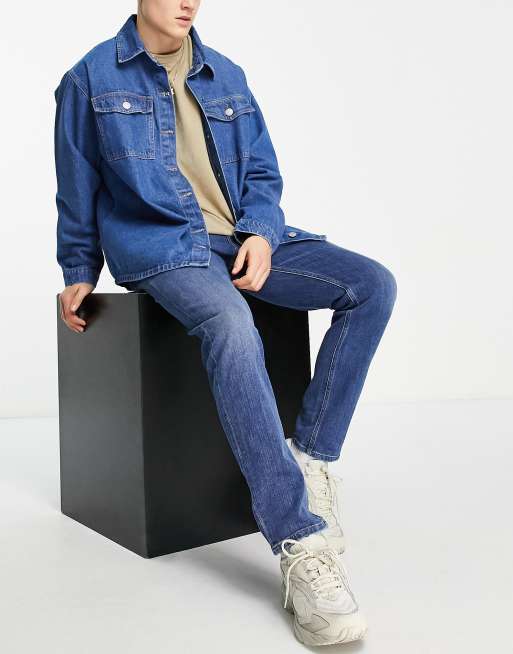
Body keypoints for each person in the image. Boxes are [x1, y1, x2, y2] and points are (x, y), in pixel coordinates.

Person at [54, 2, 397, 646]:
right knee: (233, 325)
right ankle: (298, 541)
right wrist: (79, 266)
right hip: (164, 247)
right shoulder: (89, 79)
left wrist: (262, 233)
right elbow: (77, 185)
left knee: (371, 285)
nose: (189, 2)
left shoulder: (226, 74)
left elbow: (262, 172)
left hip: (239, 239)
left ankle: (310, 457)